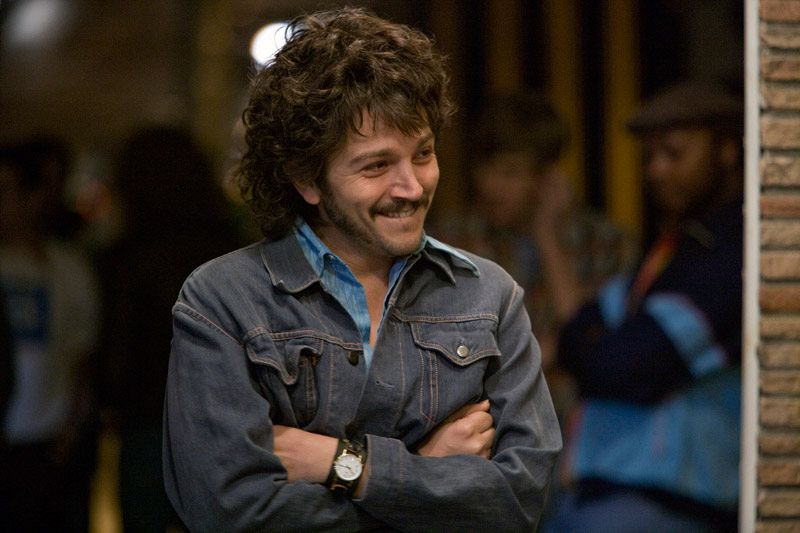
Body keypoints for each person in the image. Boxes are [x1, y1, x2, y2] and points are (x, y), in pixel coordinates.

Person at [163, 7, 561, 532]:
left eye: (423, 154)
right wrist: (424, 474)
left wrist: (340, 464)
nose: (412, 187)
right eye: (377, 165)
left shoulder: (489, 297)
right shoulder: (222, 300)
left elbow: (520, 502)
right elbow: (228, 513)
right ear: (307, 179)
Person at [546, 80, 743, 532]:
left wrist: (602, 349)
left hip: (671, 500)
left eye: (673, 154)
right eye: (650, 156)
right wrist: (600, 347)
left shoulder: (733, 253)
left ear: (727, 151)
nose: (656, 170)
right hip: (607, 491)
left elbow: (626, 369)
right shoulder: (675, 247)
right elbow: (580, 330)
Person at [430, 93, 632, 410]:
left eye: (510, 173)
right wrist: (542, 352)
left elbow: (595, 343)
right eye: (486, 169)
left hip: (577, 418)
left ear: (545, 177)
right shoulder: (451, 240)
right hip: (486, 416)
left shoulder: (602, 243)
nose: (492, 185)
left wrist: (548, 238)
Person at [96, 125, 241, 532]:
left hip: (146, 426)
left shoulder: (125, 259)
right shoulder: (230, 250)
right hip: (220, 424)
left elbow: (116, 357)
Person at [0, 138, 102, 532]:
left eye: (8, 191)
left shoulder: (68, 268)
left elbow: (82, 356)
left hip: (43, 444)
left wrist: (69, 433)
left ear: (32, 197)